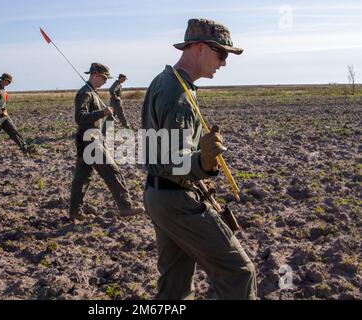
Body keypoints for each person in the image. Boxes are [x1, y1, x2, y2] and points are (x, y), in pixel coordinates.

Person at [141, 18, 257, 300]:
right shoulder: (177, 93)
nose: (224, 62)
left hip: (161, 194)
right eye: (222, 54)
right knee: (239, 272)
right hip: (177, 198)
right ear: (200, 48)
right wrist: (204, 163)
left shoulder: (169, 81)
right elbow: (173, 161)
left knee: (175, 285)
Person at [69, 63, 144, 221]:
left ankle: (75, 211)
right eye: (103, 78)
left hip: (89, 140)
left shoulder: (91, 92)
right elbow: (79, 117)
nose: (105, 81)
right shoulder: (85, 93)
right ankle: (125, 207)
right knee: (112, 171)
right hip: (90, 141)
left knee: (83, 177)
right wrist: (102, 112)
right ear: (94, 74)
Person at [0, 73, 29, 158]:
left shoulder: (3, 89)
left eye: (9, 82)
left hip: (4, 114)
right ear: (3, 80)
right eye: (8, 81)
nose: (9, 83)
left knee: (13, 130)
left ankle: (24, 148)